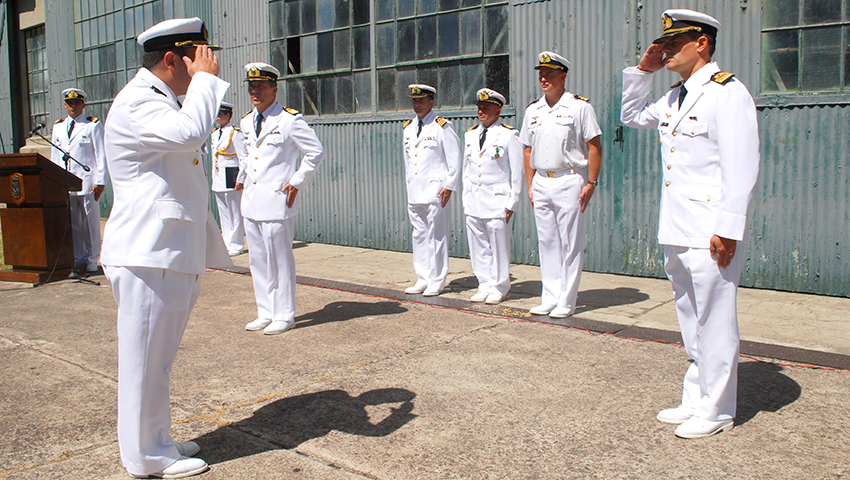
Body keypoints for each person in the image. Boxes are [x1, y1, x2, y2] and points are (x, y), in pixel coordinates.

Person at [100, 17, 231, 478]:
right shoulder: (139, 101)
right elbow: (187, 135)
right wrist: (207, 82)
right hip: (147, 253)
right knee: (144, 362)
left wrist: (199, 85)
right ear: (173, 58)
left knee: (157, 359)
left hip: (164, 251)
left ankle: (157, 439)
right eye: (197, 57)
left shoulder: (161, 100)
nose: (205, 64)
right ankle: (145, 457)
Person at [620, 9, 760, 439]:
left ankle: (718, 410)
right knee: (688, 313)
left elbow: (742, 164)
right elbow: (630, 116)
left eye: (673, 42)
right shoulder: (674, 97)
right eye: (663, 43)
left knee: (715, 317)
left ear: (701, 43)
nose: (665, 50)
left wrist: (730, 228)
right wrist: (642, 72)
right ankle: (697, 395)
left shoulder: (727, 93)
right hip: (677, 225)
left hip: (710, 229)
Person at [238, 62, 325, 335]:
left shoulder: (289, 120)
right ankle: (265, 311)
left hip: (277, 201)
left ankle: (285, 314)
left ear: (274, 90)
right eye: (252, 87)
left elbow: (315, 151)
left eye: (261, 87)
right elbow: (248, 157)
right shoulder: (244, 121)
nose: (255, 92)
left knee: (280, 260)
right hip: (251, 201)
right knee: (259, 261)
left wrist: (296, 182)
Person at [520, 51, 602, 319]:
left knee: (569, 243)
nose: (544, 79)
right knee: (547, 243)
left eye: (550, 74)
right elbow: (528, 150)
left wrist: (591, 182)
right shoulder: (533, 110)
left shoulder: (579, 107)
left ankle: (567, 299)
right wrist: (531, 184)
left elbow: (593, 147)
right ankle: (550, 297)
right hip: (542, 180)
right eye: (541, 74)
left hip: (569, 179)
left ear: (563, 76)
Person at [462, 88, 523, 304]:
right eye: (479, 108)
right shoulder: (470, 134)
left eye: (486, 108)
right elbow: (466, 170)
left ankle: (499, 286)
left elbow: (517, 172)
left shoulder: (508, 135)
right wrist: (465, 198)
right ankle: (484, 283)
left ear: (498, 110)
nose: (481, 111)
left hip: (498, 200)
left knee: (498, 246)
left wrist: (513, 201)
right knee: (478, 245)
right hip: (474, 200)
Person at [401, 84, 462, 297]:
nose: (417, 104)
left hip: (436, 190)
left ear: (431, 101)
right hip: (415, 191)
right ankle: (423, 277)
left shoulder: (442, 127)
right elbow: (409, 161)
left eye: (421, 100)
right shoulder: (408, 127)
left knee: (436, 236)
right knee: (418, 235)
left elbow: (455, 160)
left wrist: (449, 186)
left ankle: (437, 280)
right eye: (414, 101)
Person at [50, 88, 106, 274]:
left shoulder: (92, 125)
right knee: (73, 223)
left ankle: (91, 259)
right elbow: (55, 157)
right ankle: (78, 258)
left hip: (88, 182)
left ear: (83, 104)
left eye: (77, 103)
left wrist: (101, 180)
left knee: (89, 222)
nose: (73, 107)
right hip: (67, 182)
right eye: (69, 103)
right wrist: (54, 181)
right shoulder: (58, 127)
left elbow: (101, 154)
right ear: (65, 105)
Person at [211, 101, 248, 256]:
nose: (217, 117)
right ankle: (227, 243)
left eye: (220, 114)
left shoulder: (235, 133)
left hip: (231, 175)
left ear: (228, 115)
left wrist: (241, 178)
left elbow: (244, 158)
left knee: (235, 211)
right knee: (224, 213)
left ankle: (237, 244)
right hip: (218, 177)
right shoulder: (214, 133)